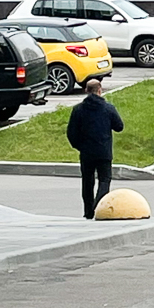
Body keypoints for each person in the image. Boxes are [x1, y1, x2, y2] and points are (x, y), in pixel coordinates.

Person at [66, 80, 124, 219]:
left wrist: (80, 146)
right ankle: (98, 207)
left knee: (87, 182)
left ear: (86, 90)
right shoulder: (108, 108)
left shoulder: (78, 110)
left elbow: (71, 133)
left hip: (86, 152)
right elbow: (119, 126)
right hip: (104, 151)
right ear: (99, 90)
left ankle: (88, 212)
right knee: (104, 180)